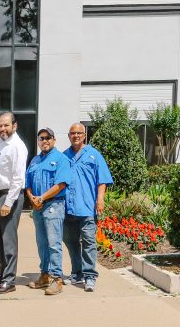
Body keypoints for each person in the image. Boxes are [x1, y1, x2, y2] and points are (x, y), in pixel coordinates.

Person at [63, 122, 113, 293]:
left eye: (79, 133)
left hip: (87, 208)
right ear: (69, 136)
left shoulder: (94, 155)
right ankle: (77, 272)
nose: (76, 136)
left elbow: (102, 180)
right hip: (69, 209)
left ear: (84, 135)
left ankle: (90, 275)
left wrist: (100, 199)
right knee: (70, 241)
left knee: (89, 242)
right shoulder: (64, 156)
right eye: (73, 133)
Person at [25, 127, 72, 296]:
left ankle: (57, 279)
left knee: (54, 244)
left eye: (47, 138)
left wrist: (42, 198)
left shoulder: (61, 159)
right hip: (38, 207)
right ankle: (44, 275)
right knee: (42, 244)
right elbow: (28, 183)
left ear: (54, 140)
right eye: (41, 138)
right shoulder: (35, 160)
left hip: (53, 206)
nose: (44, 141)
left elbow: (61, 184)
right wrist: (32, 198)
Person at [0, 111, 28, 295]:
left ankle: (9, 280)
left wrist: (8, 203)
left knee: (8, 240)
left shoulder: (17, 146)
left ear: (15, 126)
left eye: (6, 125)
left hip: (9, 196)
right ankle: (3, 275)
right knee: (0, 240)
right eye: (0, 125)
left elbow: (18, 178)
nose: (2, 128)